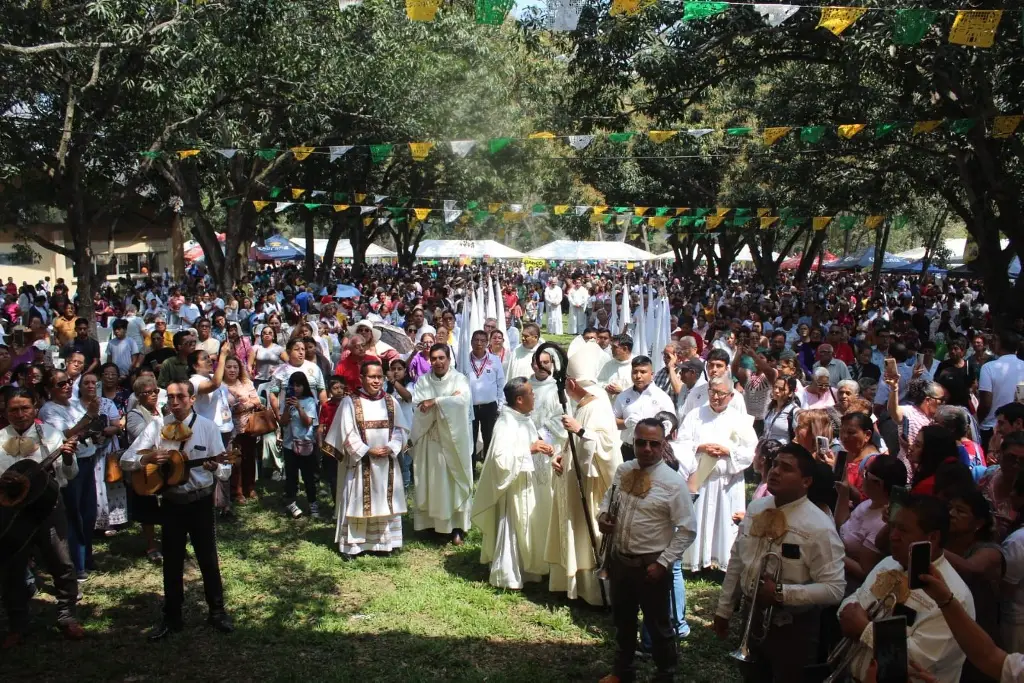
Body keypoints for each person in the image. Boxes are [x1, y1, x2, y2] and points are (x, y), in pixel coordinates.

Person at [714, 443, 846, 683]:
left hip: (794, 626)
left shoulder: (819, 527)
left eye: (786, 468)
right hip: (752, 616)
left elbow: (835, 588)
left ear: (806, 481)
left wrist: (781, 593)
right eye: (774, 464)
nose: (774, 471)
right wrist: (724, 609)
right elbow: (737, 560)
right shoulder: (756, 508)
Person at [120, 380, 234, 640]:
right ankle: (172, 617)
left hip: (200, 502)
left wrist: (216, 468)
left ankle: (217, 611)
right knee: (172, 562)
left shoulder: (207, 427)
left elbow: (226, 471)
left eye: (179, 396)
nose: (174, 402)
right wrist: (146, 458)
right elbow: (126, 460)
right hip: (171, 502)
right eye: (170, 397)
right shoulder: (158, 426)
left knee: (207, 557)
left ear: (191, 399)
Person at [597, 418, 696, 683]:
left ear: (663, 445)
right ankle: (623, 671)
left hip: (651, 566)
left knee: (658, 626)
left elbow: (687, 529)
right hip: (620, 561)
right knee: (623, 622)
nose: (647, 449)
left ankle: (665, 675)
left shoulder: (673, 483)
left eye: (654, 443)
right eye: (641, 442)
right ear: (633, 442)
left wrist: (663, 563)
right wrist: (603, 515)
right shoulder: (623, 470)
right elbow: (609, 497)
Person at [838, 495, 974, 683]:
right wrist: (850, 614)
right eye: (893, 526)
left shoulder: (955, 596)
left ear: (932, 538)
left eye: (903, 530)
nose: (893, 536)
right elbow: (855, 601)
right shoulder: (888, 563)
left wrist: (865, 629)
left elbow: (921, 659)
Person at [0, 388, 85, 646]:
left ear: (35, 407)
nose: (20, 414)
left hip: (48, 508)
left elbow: (69, 475)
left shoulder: (50, 434)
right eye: (13, 409)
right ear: (5, 411)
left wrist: (68, 457)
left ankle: (66, 616)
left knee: (61, 563)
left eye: (25, 407)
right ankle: (17, 625)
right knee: (12, 568)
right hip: (12, 513)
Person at [546, 340, 623, 606]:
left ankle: (594, 592)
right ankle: (573, 587)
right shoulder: (583, 405)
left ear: (574, 383)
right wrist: (561, 454)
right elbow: (576, 442)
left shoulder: (599, 405)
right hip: (573, 481)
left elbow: (607, 447)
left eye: (568, 380)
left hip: (592, 489)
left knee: (587, 535)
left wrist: (580, 430)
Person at [472, 378, 554, 588]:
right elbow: (501, 460)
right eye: (530, 393)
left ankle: (531, 568)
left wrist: (543, 447)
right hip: (513, 488)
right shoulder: (506, 423)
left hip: (529, 482)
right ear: (519, 399)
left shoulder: (523, 418)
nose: (534, 396)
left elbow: (531, 442)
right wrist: (530, 449)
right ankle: (509, 573)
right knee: (515, 526)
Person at [325, 359, 409, 558]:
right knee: (358, 501)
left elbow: (400, 429)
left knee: (384, 501)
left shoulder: (390, 401)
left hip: (386, 461)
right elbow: (347, 433)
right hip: (360, 463)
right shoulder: (349, 402)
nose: (376, 381)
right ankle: (353, 546)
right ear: (361, 378)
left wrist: (391, 447)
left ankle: (383, 544)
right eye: (372, 377)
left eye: (380, 377)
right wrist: (366, 450)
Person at [678, 375, 757, 573]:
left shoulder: (739, 420)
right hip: (701, 479)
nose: (716, 397)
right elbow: (681, 444)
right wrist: (701, 447)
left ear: (731, 396)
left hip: (726, 482)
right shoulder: (695, 415)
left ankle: (723, 563)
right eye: (712, 392)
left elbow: (751, 450)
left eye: (721, 393)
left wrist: (728, 451)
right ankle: (696, 561)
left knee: (724, 524)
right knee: (699, 520)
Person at [39, 369, 101, 581]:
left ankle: (87, 558)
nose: (66, 386)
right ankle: (76, 564)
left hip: (88, 459)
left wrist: (93, 428)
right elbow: (63, 435)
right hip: (71, 465)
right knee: (74, 514)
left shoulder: (74, 404)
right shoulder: (49, 410)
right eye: (60, 384)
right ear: (49, 389)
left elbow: (85, 429)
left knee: (89, 512)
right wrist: (88, 417)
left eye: (68, 382)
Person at [410, 344, 474, 545]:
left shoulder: (459, 379)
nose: (438, 362)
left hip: (454, 441)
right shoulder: (423, 381)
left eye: (441, 358)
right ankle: (433, 525)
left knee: (453, 481)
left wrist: (436, 402)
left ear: (449, 359)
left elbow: (462, 402)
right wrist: (446, 401)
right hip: (431, 441)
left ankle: (456, 527)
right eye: (434, 358)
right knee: (433, 481)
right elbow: (419, 407)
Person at [942, 489, 1004, 683]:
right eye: (950, 508)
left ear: (978, 523)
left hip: (979, 635)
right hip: (946, 632)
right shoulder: (943, 542)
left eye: (960, 511)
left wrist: (929, 546)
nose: (951, 513)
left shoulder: (990, 551)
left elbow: (971, 569)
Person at [834, 455, 906, 588]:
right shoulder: (868, 503)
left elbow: (865, 571)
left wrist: (833, 553)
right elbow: (842, 526)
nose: (862, 478)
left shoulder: (882, 523)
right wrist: (843, 493)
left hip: (849, 583)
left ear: (879, 484)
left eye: (866, 474)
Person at [125, 375, 163, 563]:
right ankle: (151, 545)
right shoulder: (134, 414)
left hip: (163, 464)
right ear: (138, 396)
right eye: (148, 393)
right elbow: (142, 435)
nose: (153, 395)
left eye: (155, 391)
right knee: (147, 507)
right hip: (144, 468)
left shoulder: (161, 410)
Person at [613, 355, 675, 462]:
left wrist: (666, 428)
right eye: (635, 372)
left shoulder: (662, 397)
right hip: (628, 450)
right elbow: (611, 422)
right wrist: (625, 423)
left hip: (653, 450)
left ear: (652, 374)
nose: (638, 376)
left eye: (643, 372)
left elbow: (672, 421)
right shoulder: (623, 396)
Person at [278, 371, 320, 519]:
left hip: (306, 443)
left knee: (309, 477)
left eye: (299, 385)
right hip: (290, 445)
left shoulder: (309, 401)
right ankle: (291, 503)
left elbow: (308, 422)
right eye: (293, 385)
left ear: (304, 386)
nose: (296, 388)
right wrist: (287, 409)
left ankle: (313, 503)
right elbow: (282, 423)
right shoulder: (286, 401)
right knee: (291, 477)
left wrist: (299, 407)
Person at [222, 356, 261, 504]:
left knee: (249, 458)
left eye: (235, 367)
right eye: (229, 367)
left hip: (249, 426)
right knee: (235, 460)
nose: (232, 370)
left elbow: (256, 401)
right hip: (231, 429)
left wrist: (244, 404)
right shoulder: (220, 386)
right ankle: (236, 491)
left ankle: (250, 487)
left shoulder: (246, 383)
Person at [978, 329, 1024, 451]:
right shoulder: (1023, 366)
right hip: (1016, 427)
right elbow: (1021, 399)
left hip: (990, 428)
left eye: (995, 341)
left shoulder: (988, 368)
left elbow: (985, 403)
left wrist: (978, 421)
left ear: (999, 344)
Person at [466, 330, 506, 465]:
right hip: (469, 407)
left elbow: (501, 384)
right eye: (476, 340)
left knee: (489, 439)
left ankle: (489, 470)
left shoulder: (494, 360)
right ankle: (470, 471)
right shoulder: (464, 360)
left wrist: (500, 405)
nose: (479, 343)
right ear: (471, 342)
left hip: (489, 406)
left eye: (482, 341)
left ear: (487, 343)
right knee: (470, 439)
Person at [678, 349, 747, 417]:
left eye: (719, 366)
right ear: (706, 367)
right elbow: (687, 420)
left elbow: (742, 425)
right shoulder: (695, 393)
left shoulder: (735, 398)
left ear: (726, 369)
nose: (714, 369)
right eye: (711, 365)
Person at [762, 376, 800, 445]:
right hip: (766, 450)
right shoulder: (770, 407)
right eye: (775, 387)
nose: (776, 391)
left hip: (782, 452)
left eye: (781, 389)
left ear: (790, 393)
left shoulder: (794, 411)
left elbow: (799, 438)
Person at [597, 334, 634, 399]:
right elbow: (599, 381)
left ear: (625, 349)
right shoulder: (609, 365)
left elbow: (642, 390)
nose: (611, 349)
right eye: (611, 346)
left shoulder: (637, 365)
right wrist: (606, 387)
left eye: (614, 347)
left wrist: (622, 391)